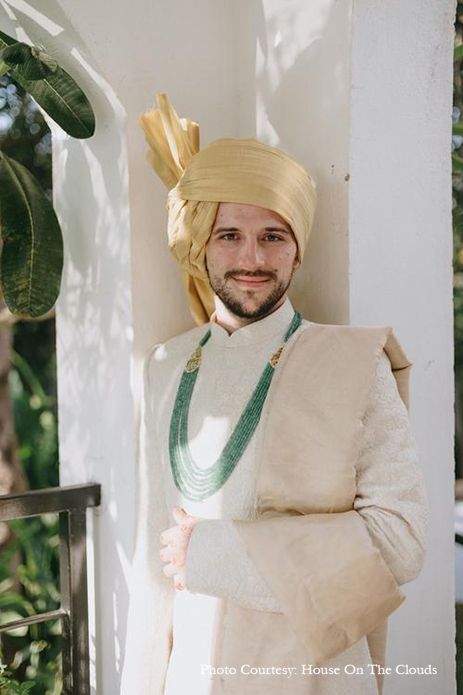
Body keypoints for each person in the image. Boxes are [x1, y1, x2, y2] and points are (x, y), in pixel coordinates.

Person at [120, 93, 429, 695]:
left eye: (273, 236)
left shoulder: (353, 363)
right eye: (229, 235)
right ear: (200, 245)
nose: (252, 258)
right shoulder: (165, 365)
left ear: (298, 249)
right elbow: (154, 561)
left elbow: (402, 541)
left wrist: (213, 556)